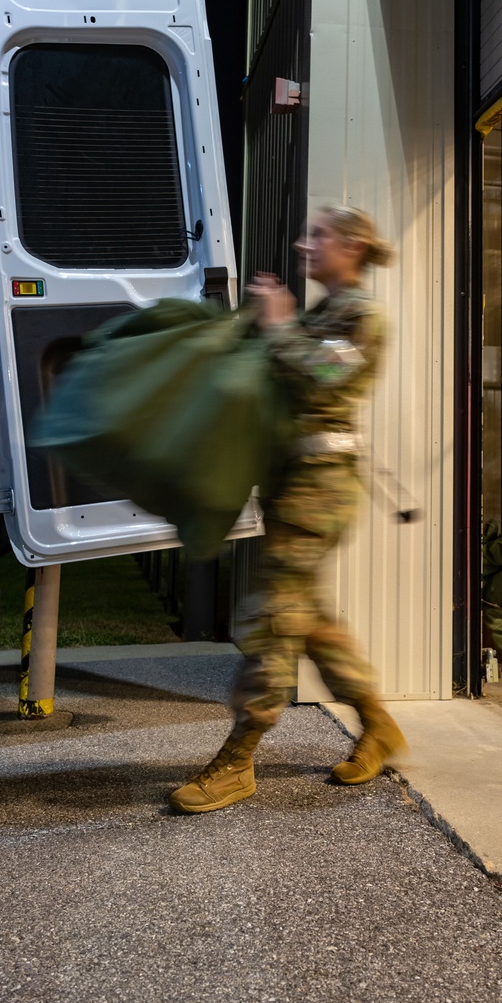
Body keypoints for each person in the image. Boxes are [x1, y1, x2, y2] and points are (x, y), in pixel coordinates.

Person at [169, 205, 406, 814]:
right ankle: (379, 725)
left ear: (352, 246)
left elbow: (325, 377)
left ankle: (238, 759)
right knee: (308, 617)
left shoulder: (363, 317)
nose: (305, 245)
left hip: (320, 491)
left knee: (276, 616)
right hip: (293, 485)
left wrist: (278, 327)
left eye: (319, 236)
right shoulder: (325, 314)